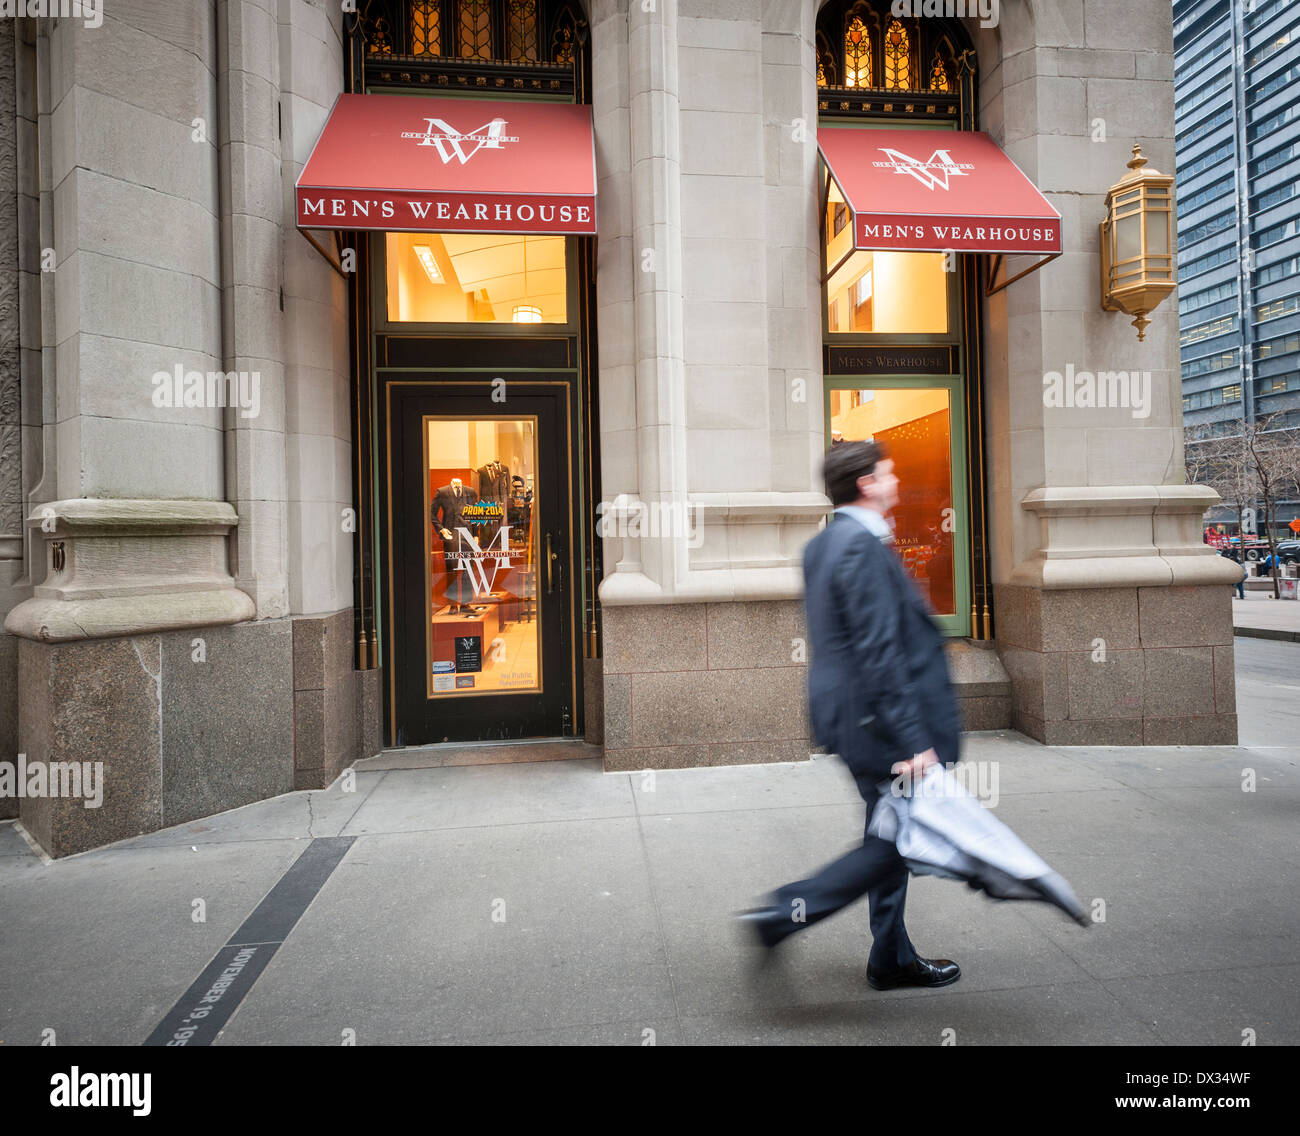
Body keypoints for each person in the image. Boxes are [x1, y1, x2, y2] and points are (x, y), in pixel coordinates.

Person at [737, 440, 963, 990]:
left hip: (849, 715)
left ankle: (890, 956)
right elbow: (878, 653)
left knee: (893, 829)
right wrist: (914, 741)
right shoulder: (860, 548)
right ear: (866, 483)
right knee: (892, 844)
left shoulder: (825, 543)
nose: (897, 483)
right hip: (877, 723)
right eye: (889, 474)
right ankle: (783, 914)